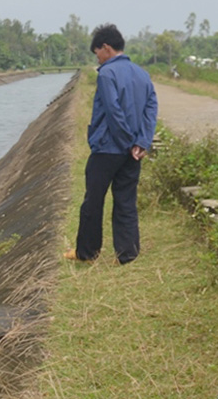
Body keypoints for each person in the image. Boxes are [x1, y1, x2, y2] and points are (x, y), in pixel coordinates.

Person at [65, 23, 158, 264]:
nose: (98, 58)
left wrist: (127, 141)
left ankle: (86, 252)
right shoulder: (142, 73)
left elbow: (113, 111)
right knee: (126, 201)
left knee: (93, 202)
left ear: (106, 48)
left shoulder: (107, 74)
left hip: (108, 148)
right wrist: (141, 142)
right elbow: (151, 109)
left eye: (97, 52)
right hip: (133, 152)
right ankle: (128, 254)